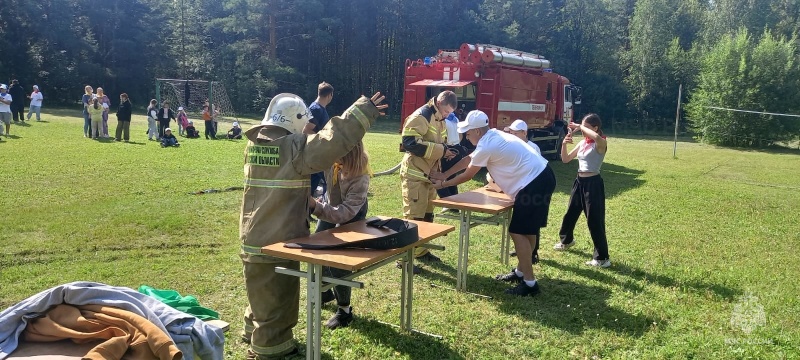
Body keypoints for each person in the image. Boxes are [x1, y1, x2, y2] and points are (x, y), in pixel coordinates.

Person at [239, 92, 386, 360]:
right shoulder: (294, 148)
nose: (308, 129)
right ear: (295, 122)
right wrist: (362, 110)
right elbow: (332, 141)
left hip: (252, 233)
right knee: (279, 300)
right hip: (278, 237)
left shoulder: (254, 146)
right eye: (305, 124)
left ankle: (251, 330)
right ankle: (272, 349)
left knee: (260, 291)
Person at [431, 110, 556, 297]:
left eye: (468, 132)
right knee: (528, 230)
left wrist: (444, 184)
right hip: (542, 176)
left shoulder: (488, 144)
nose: (466, 136)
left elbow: (469, 174)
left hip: (534, 182)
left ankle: (530, 284)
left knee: (518, 231)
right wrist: (444, 174)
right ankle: (521, 272)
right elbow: (469, 159)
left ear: (478, 132)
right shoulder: (492, 136)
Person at [309, 140, 370, 330]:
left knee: (338, 259)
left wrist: (315, 207)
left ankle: (344, 310)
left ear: (348, 155)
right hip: (330, 206)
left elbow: (344, 213)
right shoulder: (333, 161)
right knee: (317, 247)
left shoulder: (361, 177)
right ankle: (325, 291)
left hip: (351, 213)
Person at [399, 90, 458, 272]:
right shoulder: (421, 116)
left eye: (450, 113)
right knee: (413, 217)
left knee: (427, 215)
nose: (448, 115)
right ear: (439, 103)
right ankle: (404, 259)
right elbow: (408, 142)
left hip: (429, 175)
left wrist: (447, 152)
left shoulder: (439, 118)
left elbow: (439, 142)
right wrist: (441, 150)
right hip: (414, 174)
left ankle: (422, 252)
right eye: (447, 112)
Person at [554, 114, 610, 268]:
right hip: (579, 182)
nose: (582, 131)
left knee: (594, 220)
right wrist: (564, 144)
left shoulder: (601, 143)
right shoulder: (583, 143)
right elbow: (565, 159)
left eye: (586, 128)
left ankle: (602, 258)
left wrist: (580, 126)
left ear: (595, 128)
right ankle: (567, 241)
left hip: (593, 184)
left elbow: (597, 138)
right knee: (570, 213)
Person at [305, 82, 334, 197]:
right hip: (315, 153)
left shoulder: (320, 108)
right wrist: (322, 139)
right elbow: (306, 130)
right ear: (330, 95)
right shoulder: (316, 109)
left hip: (320, 152)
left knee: (326, 179)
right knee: (322, 180)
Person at [436, 111, 470, 202]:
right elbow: (460, 136)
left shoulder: (444, 122)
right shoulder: (456, 119)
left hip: (448, 149)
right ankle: (455, 201)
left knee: (438, 176)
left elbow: (442, 138)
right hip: (457, 149)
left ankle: (448, 202)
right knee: (451, 176)